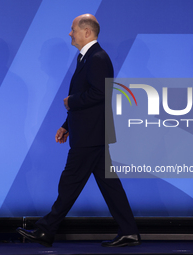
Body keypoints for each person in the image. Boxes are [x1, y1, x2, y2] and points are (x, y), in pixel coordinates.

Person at [17, 13, 141, 248]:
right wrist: (66, 125)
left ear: (87, 32)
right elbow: (92, 96)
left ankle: (46, 229)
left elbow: (100, 93)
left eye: (73, 29)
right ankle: (129, 232)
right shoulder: (87, 57)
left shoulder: (97, 58)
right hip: (91, 133)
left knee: (70, 181)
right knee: (109, 185)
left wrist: (71, 101)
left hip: (90, 136)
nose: (70, 33)